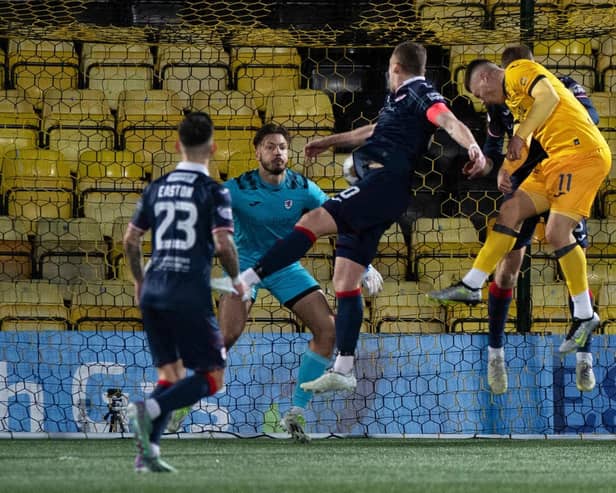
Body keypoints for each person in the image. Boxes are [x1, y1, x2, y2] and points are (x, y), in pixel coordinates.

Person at [213, 41, 488, 393]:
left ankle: (246, 279)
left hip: (382, 184)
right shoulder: (399, 101)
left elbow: (446, 118)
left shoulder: (420, 92)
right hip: (381, 189)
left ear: (395, 68)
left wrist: (473, 146)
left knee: (311, 223)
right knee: (344, 281)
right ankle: (344, 368)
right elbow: (372, 131)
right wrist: (330, 141)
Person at [428, 55, 611, 372]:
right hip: (546, 167)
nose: (481, 100)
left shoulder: (520, 72)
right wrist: (503, 168)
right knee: (510, 212)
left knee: (558, 235)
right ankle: (472, 286)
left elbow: (552, 102)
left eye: (479, 93)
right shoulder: (509, 104)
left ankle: (584, 330)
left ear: (486, 79)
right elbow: (502, 143)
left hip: (578, 156)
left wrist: (521, 134)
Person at [213, 123, 383, 441]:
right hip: (246, 265)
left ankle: (296, 413)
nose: (277, 152)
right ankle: (180, 401)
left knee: (329, 329)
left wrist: (365, 263)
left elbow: (341, 218)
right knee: (227, 335)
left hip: (285, 267)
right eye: (270, 146)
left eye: (282, 147)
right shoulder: (236, 188)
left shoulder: (302, 187)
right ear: (257, 152)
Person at [467, 45, 600, 395]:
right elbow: (495, 149)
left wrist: (527, 140)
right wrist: (489, 165)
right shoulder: (499, 107)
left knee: (570, 261)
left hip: (564, 175)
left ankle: (585, 356)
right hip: (528, 185)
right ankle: (495, 352)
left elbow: (587, 123)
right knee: (508, 266)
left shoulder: (562, 86)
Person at [123, 111, 245, 473]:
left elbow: (131, 240)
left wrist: (139, 281)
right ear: (214, 148)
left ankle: (148, 453)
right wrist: (236, 280)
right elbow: (223, 245)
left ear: (177, 145)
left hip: (153, 289)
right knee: (212, 376)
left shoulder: (156, 187)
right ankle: (152, 409)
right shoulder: (213, 190)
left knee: (170, 374)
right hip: (187, 291)